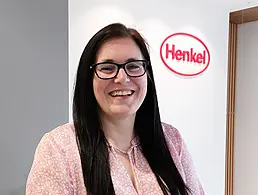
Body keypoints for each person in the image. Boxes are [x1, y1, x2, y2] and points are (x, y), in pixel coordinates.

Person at [26, 23, 204, 195]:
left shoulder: (172, 140)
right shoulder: (60, 148)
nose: (122, 78)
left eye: (133, 66)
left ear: (147, 74)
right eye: (107, 68)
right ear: (89, 78)